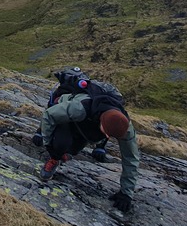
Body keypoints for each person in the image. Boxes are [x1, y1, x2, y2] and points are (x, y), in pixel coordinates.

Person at [33, 66, 140, 212]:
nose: (108, 138)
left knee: (74, 149)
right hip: (70, 120)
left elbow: (131, 158)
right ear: (102, 122)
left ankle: (70, 150)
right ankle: (54, 159)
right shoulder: (80, 107)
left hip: (88, 128)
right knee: (60, 144)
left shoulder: (125, 126)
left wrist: (126, 193)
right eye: (107, 134)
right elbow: (49, 115)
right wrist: (47, 142)